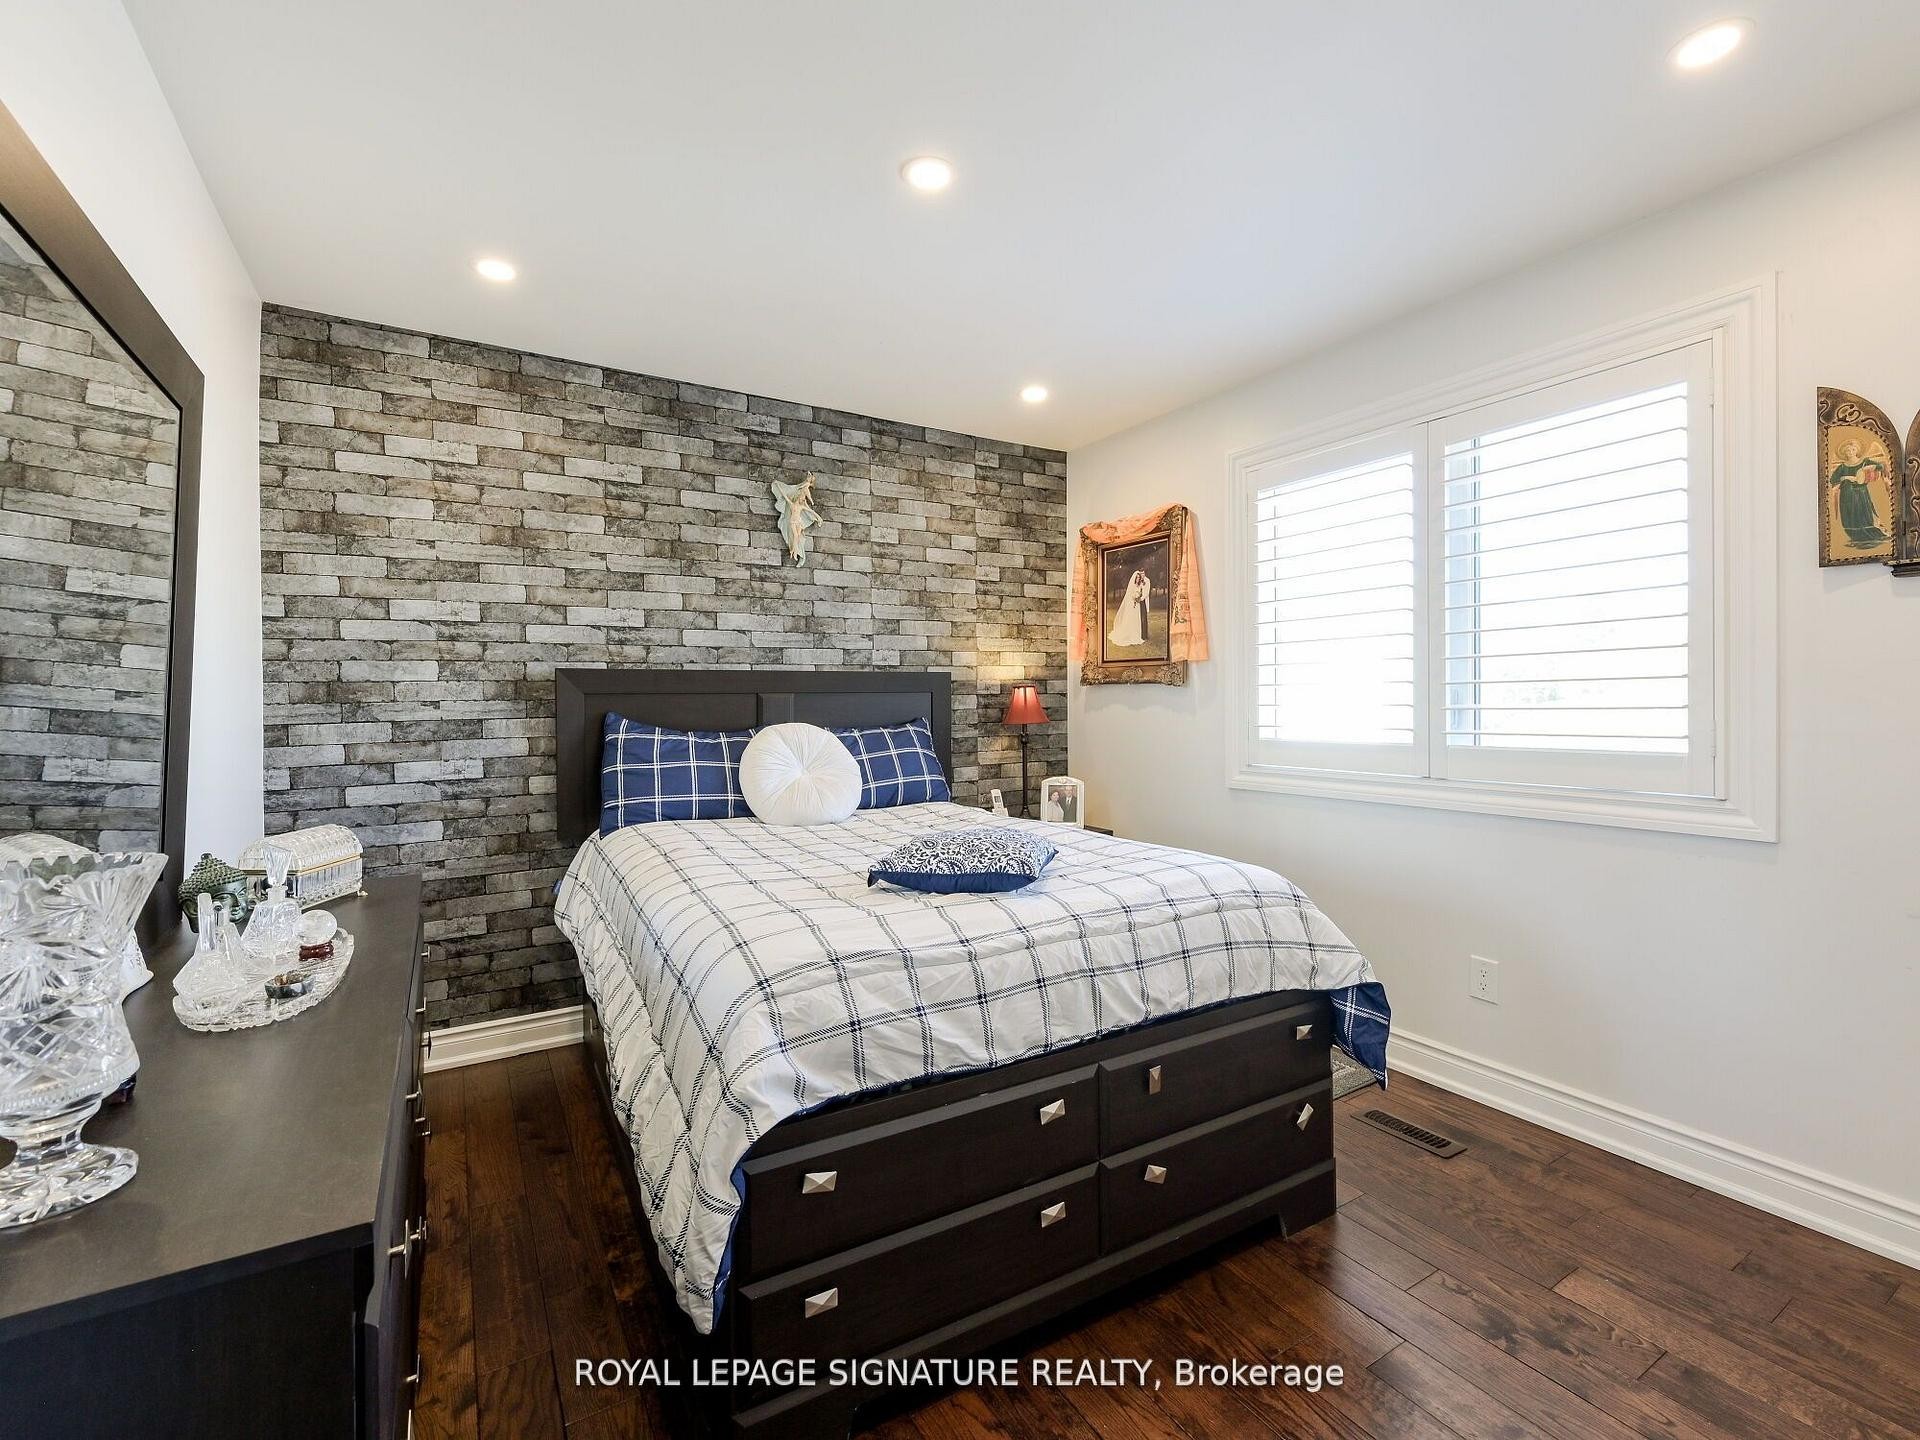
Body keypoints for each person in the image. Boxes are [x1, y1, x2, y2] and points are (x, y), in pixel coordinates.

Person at [1830, 439, 1890, 549]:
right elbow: (1833, 479)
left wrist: (1868, 468)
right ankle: (1856, 537)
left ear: (1856, 450)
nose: (1850, 452)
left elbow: (1880, 467)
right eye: (1848, 450)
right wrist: (1845, 477)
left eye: (1853, 449)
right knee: (1851, 514)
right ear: (1844, 453)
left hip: (1861, 493)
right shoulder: (1843, 467)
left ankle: (1870, 534)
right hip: (1847, 494)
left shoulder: (1864, 461)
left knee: (1864, 511)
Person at [1107, 569, 1150, 648]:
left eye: (1139, 577)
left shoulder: (1141, 585)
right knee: (1131, 618)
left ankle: (1138, 634)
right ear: (1134, 578)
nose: (1138, 579)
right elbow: (1130, 595)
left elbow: (1143, 592)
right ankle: (1129, 634)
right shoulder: (1132, 586)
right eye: (1137, 577)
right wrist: (1135, 597)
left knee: (1137, 619)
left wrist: (1139, 597)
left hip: (1138, 605)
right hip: (1133, 605)